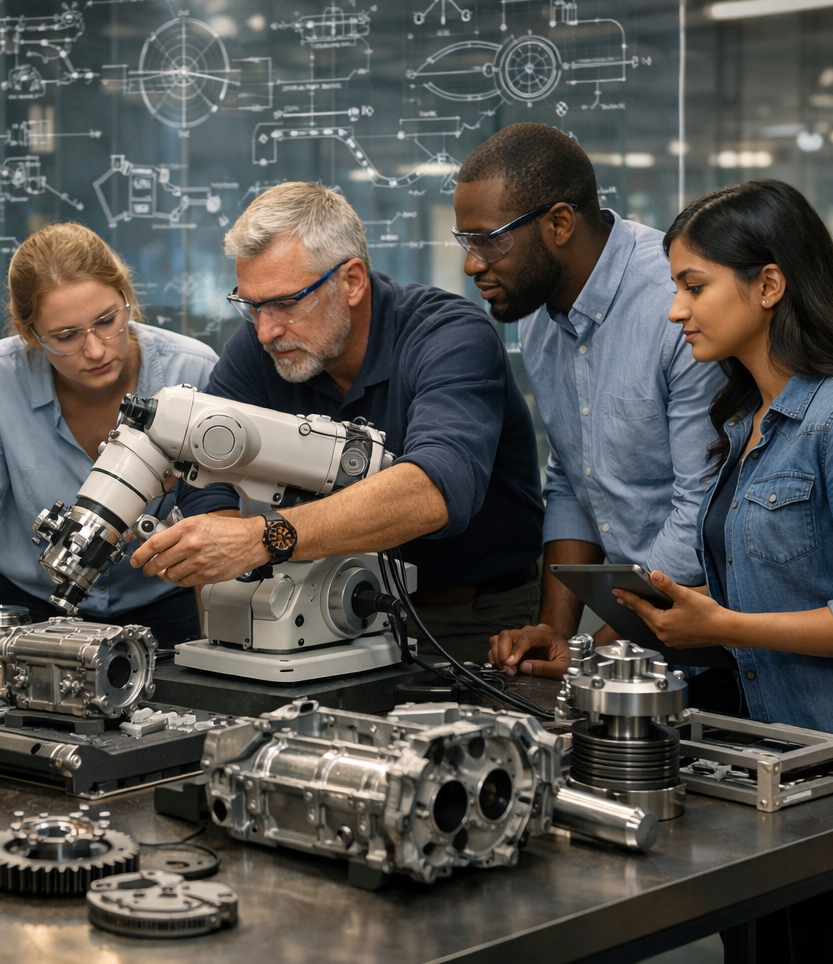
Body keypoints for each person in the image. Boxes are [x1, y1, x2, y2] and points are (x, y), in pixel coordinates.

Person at [609, 179, 833, 752]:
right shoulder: (745, 422)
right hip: (794, 754)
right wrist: (698, 614)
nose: (676, 311)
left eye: (695, 287)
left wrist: (729, 626)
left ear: (769, 285)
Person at [129, 182, 545, 659]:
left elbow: (434, 492)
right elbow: (206, 470)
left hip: (470, 618)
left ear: (352, 281)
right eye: (251, 305)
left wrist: (261, 538)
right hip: (320, 610)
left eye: (286, 303)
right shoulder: (263, 348)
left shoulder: (449, 337)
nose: (265, 331)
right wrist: (223, 559)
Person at [451, 123, 735, 710]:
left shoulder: (675, 308)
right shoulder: (537, 313)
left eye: (489, 241)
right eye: (464, 241)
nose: (471, 264)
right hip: (632, 643)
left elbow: (702, 512)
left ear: (559, 224)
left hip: (717, 641)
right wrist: (555, 632)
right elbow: (573, 480)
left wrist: (590, 652)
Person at [0, 223, 218, 648]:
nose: (95, 349)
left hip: (162, 608)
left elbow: (221, 516)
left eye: (107, 321)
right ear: (28, 334)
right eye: (66, 336)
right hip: (30, 608)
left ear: (126, 297)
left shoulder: (193, 371)